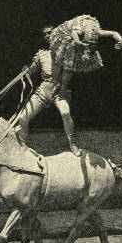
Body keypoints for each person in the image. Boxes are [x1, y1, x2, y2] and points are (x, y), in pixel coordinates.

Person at [18, 26, 82, 156]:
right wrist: (26, 71)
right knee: (22, 117)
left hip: (59, 89)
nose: (48, 35)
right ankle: (22, 145)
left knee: (65, 112)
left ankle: (73, 143)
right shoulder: (41, 54)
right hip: (44, 89)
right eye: (45, 34)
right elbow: (31, 71)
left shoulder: (66, 50)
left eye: (50, 32)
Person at [49, 14, 122, 91]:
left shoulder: (98, 32)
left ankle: (62, 88)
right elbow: (74, 33)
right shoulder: (81, 30)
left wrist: (121, 41)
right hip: (66, 32)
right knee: (61, 62)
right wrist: (78, 42)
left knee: (68, 68)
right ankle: (55, 83)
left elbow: (113, 33)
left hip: (80, 38)